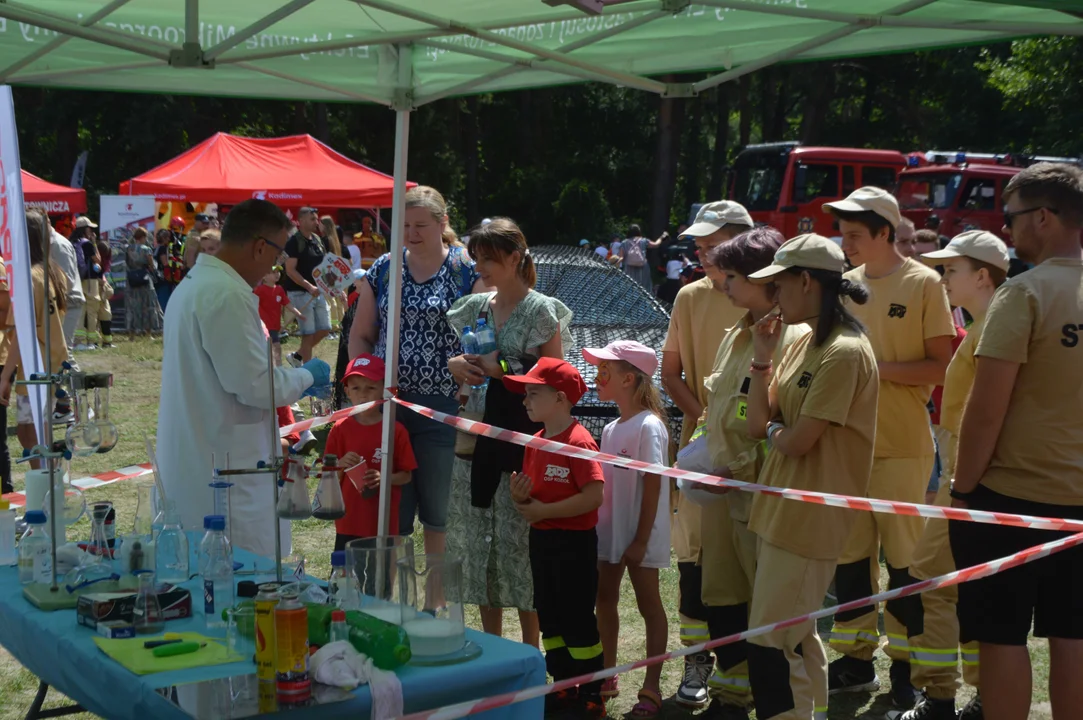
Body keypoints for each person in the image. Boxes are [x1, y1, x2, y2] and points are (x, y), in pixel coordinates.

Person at [949, 163, 1083, 719]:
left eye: (1012, 218)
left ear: (1044, 218)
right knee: (1075, 634)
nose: (1008, 231)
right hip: (1079, 503)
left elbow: (985, 411)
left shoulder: (1023, 293)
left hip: (1009, 500)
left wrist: (962, 489)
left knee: (1000, 635)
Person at [823, 187, 955, 708]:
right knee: (851, 562)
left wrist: (871, 369)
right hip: (847, 448)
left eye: (855, 233)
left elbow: (938, 365)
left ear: (885, 232)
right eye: (843, 232)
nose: (845, 242)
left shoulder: (924, 283)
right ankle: (855, 662)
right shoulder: (842, 285)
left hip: (902, 447)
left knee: (905, 565)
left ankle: (906, 668)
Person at [743, 233, 879, 720]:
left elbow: (798, 440)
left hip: (809, 519)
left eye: (779, 284)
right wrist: (761, 358)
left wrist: (778, 432)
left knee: (768, 646)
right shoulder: (800, 341)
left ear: (806, 281)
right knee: (797, 640)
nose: (773, 295)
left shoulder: (845, 351)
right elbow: (760, 425)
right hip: (780, 511)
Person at [156, 198, 330, 557]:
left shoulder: (195, 284)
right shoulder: (226, 295)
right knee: (243, 584)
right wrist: (305, 376)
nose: (277, 266)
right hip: (228, 475)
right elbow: (255, 385)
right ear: (259, 247)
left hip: (207, 458)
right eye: (278, 254)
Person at [882, 231, 1010, 720]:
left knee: (934, 580)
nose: (942, 278)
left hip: (972, 479)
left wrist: (962, 484)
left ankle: (942, 697)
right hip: (965, 474)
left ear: (982, 275)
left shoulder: (996, 328)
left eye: (951, 269)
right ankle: (970, 695)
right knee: (957, 584)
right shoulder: (985, 325)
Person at [695, 227, 812, 717]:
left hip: (759, 494)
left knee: (772, 616)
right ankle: (731, 691)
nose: (723, 284)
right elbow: (721, 405)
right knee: (722, 598)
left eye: (734, 277)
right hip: (723, 491)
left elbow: (768, 418)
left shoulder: (792, 339)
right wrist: (701, 454)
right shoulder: (736, 333)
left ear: (768, 281)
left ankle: (783, 705)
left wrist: (735, 464)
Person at [445, 218, 571, 647]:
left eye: (489, 259)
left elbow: (557, 382)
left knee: (521, 550)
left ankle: (530, 651)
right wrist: (456, 366)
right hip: (475, 441)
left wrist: (504, 372)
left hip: (523, 445)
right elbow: (464, 360)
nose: (480, 266)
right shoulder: (475, 306)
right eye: (476, 257)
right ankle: (492, 646)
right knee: (481, 551)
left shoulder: (541, 311)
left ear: (515, 258)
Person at [349, 186, 485, 559]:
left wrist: (464, 363)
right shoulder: (384, 268)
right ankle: (398, 600)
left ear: (443, 223)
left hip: (444, 407)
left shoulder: (465, 270)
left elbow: (487, 339)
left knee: (438, 513)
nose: (411, 233)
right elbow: (361, 335)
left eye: (421, 224)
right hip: (389, 405)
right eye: (405, 225)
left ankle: (434, 600)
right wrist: (362, 386)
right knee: (394, 508)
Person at [661, 199, 753, 708]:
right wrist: (704, 422)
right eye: (698, 245)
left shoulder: (769, 297)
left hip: (754, 456)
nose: (699, 252)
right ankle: (698, 660)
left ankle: (746, 672)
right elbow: (669, 372)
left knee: (744, 563)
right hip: (700, 453)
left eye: (710, 243)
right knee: (692, 560)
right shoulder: (690, 296)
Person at [505, 358, 606, 718]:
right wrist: (521, 498)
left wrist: (544, 511)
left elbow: (594, 496)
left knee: (578, 619)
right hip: (543, 543)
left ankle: (593, 693)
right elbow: (535, 497)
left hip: (574, 545)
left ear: (561, 398)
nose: (525, 401)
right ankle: (564, 685)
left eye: (533, 393)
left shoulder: (579, 441)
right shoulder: (535, 441)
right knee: (550, 616)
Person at [584, 341, 670, 719]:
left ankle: (651, 689)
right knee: (605, 597)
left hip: (640, 534)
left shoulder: (649, 426)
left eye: (605, 370)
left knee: (649, 603)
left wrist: (640, 539)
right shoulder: (610, 427)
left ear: (629, 378)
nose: (597, 376)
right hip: (611, 530)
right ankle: (608, 675)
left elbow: (653, 484)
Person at [0, 210, 70, 469]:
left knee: (33, 436)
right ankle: (49, 488)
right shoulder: (53, 271)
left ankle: (48, 493)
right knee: (36, 434)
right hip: (52, 362)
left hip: (35, 369)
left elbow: (22, 334)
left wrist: (5, 376)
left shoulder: (28, 277)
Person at [326, 354, 417, 551]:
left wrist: (384, 478)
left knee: (381, 576)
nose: (363, 395)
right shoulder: (339, 429)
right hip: (348, 521)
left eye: (371, 387)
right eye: (356, 388)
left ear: (383, 391)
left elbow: (406, 475)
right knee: (346, 578)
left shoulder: (395, 430)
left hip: (383, 521)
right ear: (347, 391)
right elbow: (328, 478)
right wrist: (340, 465)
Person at [283, 207, 331, 363]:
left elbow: (325, 266)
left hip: (319, 292)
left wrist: (332, 286)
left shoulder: (317, 239)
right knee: (308, 333)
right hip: (300, 292)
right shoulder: (293, 242)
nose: (316, 222)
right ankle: (306, 370)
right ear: (301, 221)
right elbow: (290, 270)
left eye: (316, 219)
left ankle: (297, 356)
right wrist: (309, 287)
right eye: (312, 219)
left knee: (325, 328)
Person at [47, 215, 84, 362]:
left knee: (63, 352)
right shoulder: (50, 243)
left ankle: (76, 384)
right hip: (60, 301)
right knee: (59, 351)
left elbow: (66, 280)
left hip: (68, 301)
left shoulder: (58, 244)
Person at [254, 267, 303, 366]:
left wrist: (297, 312)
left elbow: (287, 303)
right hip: (266, 325)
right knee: (276, 347)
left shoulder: (279, 289)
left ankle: (274, 368)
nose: (277, 274)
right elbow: (251, 300)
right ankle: (277, 368)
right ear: (264, 277)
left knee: (272, 347)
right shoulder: (260, 290)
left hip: (275, 325)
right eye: (273, 272)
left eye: (278, 272)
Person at [70, 218, 102, 350]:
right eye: (90, 228)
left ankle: (78, 342)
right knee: (92, 310)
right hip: (90, 280)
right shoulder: (87, 244)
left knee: (80, 310)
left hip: (77, 279)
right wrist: (94, 242)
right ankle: (91, 341)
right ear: (86, 229)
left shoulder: (71, 242)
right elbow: (98, 260)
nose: (92, 231)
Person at [125, 228, 160, 340]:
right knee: (147, 305)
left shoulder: (128, 248)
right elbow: (152, 265)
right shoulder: (146, 249)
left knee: (133, 306)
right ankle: (148, 333)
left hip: (132, 280)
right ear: (143, 237)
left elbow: (127, 263)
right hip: (144, 279)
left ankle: (132, 334)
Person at [612, 224, 663, 292]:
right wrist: (661, 237)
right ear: (639, 231)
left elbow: (621, 257)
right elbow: (656, 245)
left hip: (629, 268)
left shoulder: (624, 243)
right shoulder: (644, 241)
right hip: (643, 268)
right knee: (644, 288)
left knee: (629, 286)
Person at [321, 215, 346, 337]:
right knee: (337, 301)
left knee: (329, 302)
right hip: (336, 273)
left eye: (320, 223)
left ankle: (332, 328)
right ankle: (339, 325)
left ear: (324, 226)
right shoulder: (335, 240)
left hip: (327, 273)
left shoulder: (325, 240)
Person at [154, 225, 185, 313]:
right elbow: (165, 263)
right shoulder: (163, 248)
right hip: (163, 279)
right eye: (167, 237)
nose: (169, 239)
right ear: (164, 238)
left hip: (157, 279)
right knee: (164, 300)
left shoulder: (156, 248)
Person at [94, 235, 114, 348]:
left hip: (102, 293)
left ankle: (107, 342)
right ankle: (95, 342)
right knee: (94, 319)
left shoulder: (103, 264)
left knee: (106, 316)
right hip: (94, 292)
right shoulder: (93, 262)